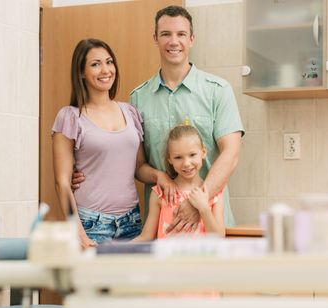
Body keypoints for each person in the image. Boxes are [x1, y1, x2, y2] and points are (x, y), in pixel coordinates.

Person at [72, 5, 244, 233]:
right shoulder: (138, 98)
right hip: (162, 227)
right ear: (155, 38)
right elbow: (137, 165)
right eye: (166, 34)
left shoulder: (218, 91)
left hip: (210, 223)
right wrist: (85, 173)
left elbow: (231, 154)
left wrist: (197, 202)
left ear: (191, 39)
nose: (174, 41)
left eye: (181, 34)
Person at [134, 124, 225, 308]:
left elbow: (218, 237)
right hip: (168, 282)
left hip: (199, 281)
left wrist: (203, 208)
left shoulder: (212, 194)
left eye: (192, 155)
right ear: (170, 160)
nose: (187, 163)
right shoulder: (160, 194)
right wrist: (111, 248)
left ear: (203, 152)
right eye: (179, 157)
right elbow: (147, 235)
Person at [52, 38, 150, 248]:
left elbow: (139, 167)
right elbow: (62, 182)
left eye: (109, 62)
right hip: (91, 225)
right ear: (81, 72)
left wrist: (164, 178)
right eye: (95, 64)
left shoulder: (130, 112)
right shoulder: (70, 117)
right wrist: (79, 234)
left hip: (131, 222)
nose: (106, 70)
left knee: (129, 281)